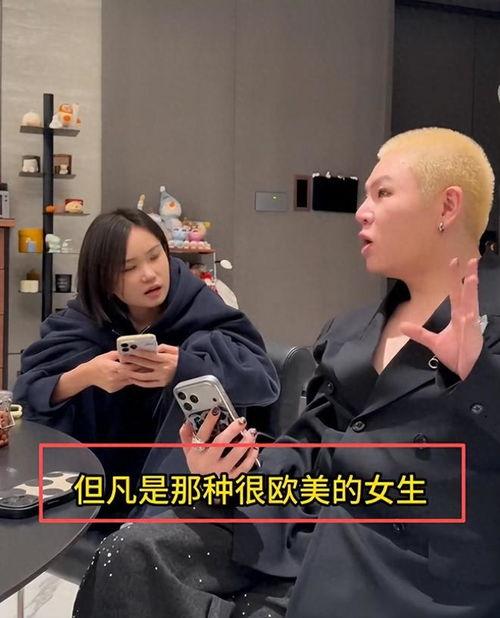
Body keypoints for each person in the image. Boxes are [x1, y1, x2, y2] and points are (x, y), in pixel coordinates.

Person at [74, 127, 500, 617]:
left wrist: (478, 377)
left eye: (383, 194)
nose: (362, 212)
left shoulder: (491, 327)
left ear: (447, 206)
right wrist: (233, 466)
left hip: (411, 571)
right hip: (309, 533)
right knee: (129, 553)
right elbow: (306, 445)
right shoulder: (349, 330)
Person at [14, 209, 279, 506]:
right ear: (102, 278)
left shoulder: (199, 306)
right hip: (98, 480)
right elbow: (27, 396)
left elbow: (263, 382)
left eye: (155, 256)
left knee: (205, 356)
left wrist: (182, 368)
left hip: (186, 487)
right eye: (128, 268)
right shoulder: (82, 322)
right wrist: (87, 375)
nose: (150, 274)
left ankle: (149, 520)